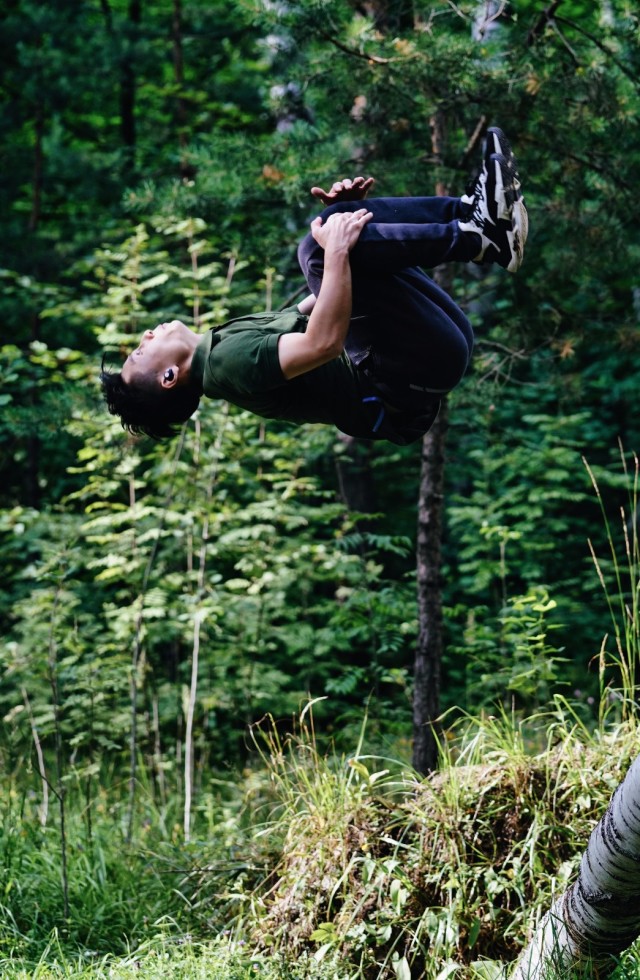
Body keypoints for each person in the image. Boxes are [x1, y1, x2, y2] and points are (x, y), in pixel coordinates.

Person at [101, 127, 527, 445]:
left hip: (427, 360)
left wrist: (352, 222)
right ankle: (476, 234)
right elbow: (323, 342)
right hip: (413, 369)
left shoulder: (220, 349)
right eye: (141, 350)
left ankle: (479, 218)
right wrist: (336, 253)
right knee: (321, 250)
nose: (147, 334)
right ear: (170, 377)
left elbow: (322, 302)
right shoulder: (229, 362)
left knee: (332, 232)